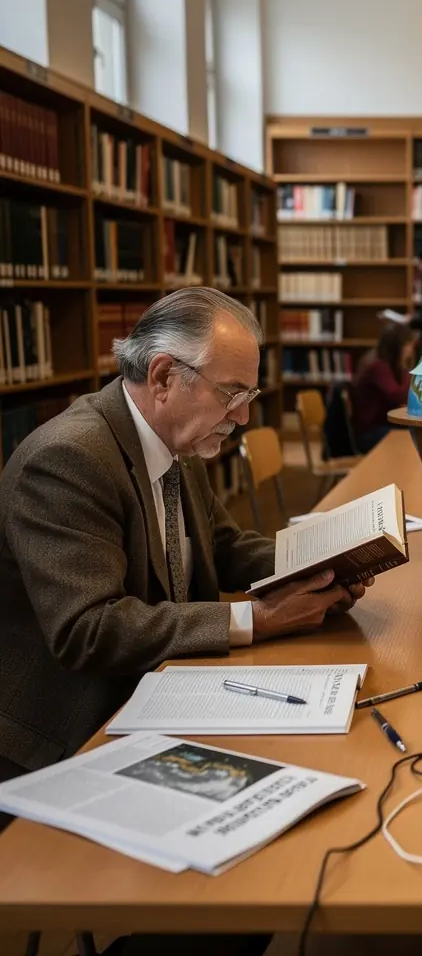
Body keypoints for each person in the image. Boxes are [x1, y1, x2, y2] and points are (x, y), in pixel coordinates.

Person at [0, 288, 369, 795]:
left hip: (157, 690)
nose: (242, 418)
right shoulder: (68, 460)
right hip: (70, 730)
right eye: (232, 394)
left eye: (249, 398)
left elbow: (224, 546)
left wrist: (323, 561)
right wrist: (258, 619)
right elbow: (89, 628)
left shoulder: (175, 441)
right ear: (163, 377)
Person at [351, 323, 416, 452]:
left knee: (417, 433)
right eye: (409, 345)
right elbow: (398, 396)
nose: (411, 350)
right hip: (369, 432)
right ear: (399, 347)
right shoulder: (377, 365)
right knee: (413, 437)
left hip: (380, 425)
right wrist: (407, 370)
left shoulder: (385, 363)